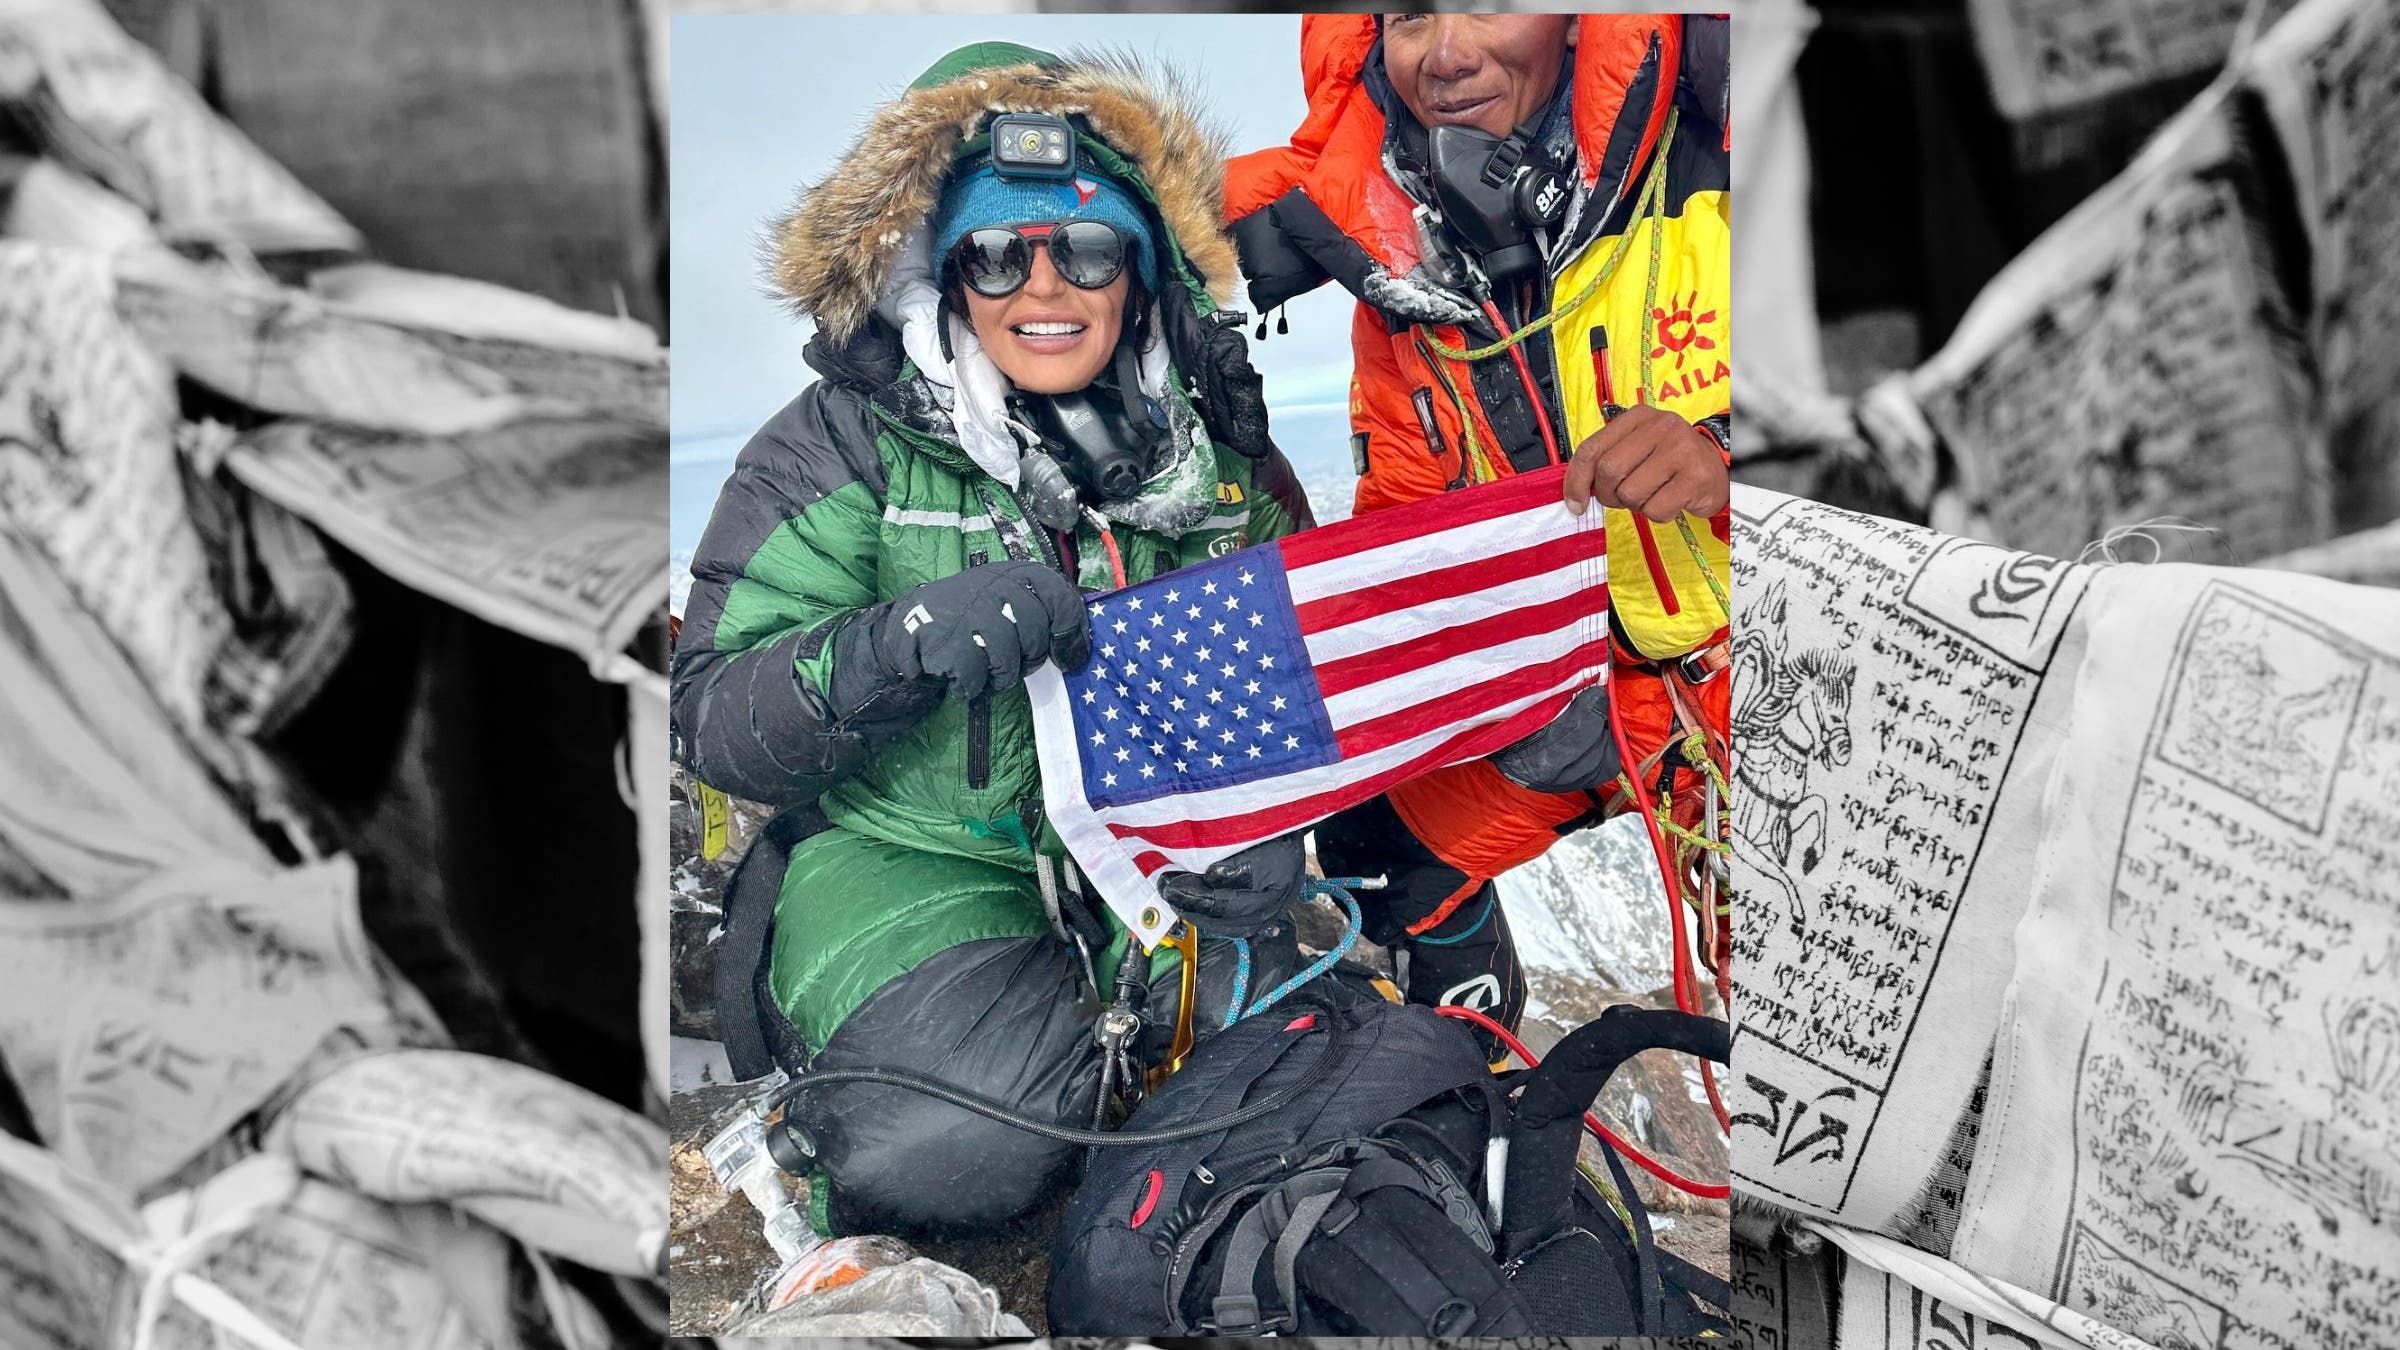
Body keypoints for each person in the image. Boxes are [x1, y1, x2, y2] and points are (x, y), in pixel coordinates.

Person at [671, 43, 1320, 1237]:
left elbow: (1303, 657)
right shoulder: (837, 446)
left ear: (1139, 271)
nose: (1044, 287)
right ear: (943, 274)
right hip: (916, 856)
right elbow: (712, 714)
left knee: (1316, 1082)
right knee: (954, 1152)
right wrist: (889, 647)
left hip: (1148, 855)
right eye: (994, 253)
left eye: (1085, 248)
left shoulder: (1216, 450)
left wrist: (1274, 822)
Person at [1225, 14, 1735, 1033]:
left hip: (1743, 686)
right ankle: (1472, 1076)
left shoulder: (1717, 139)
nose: (1447, 54)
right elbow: (1409, 536)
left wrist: (1729, 452)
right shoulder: (1396, 278)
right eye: (1410, 13)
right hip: (1562, 687)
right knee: (1377, 851)